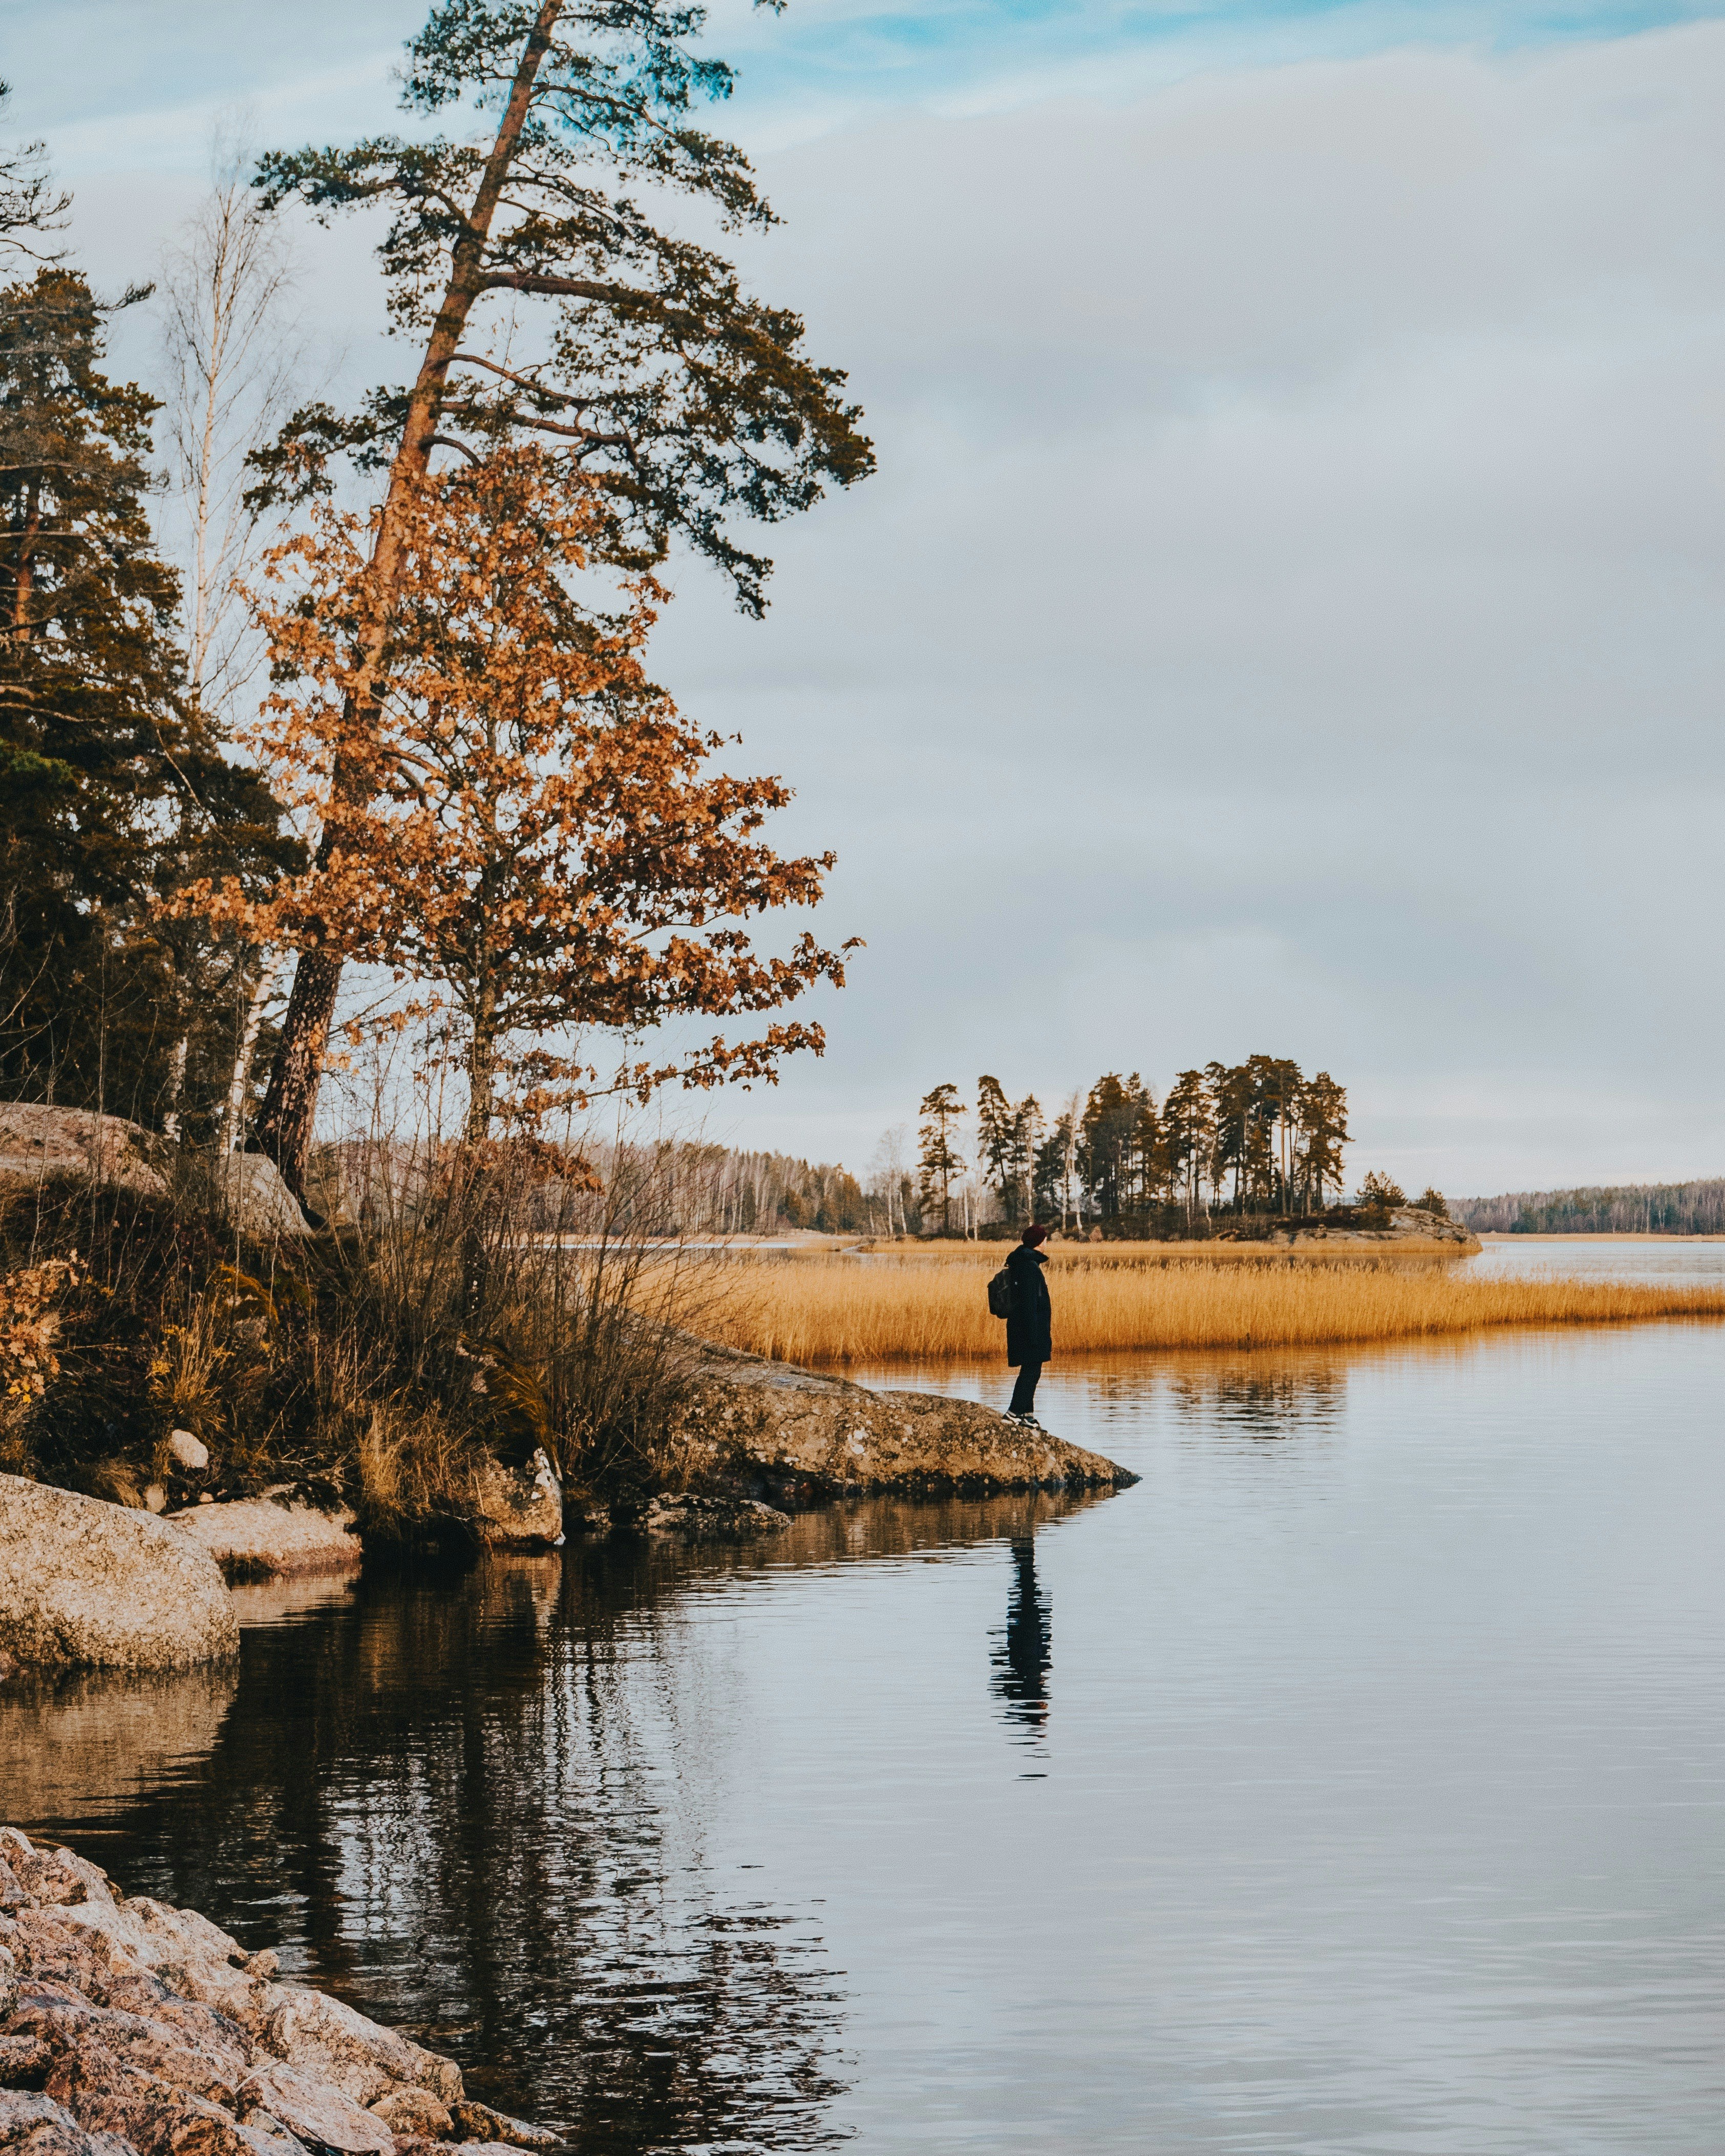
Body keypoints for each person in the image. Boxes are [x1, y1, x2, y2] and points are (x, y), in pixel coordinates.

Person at [1003, 1222, 1052, 1427]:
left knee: (1032, 1369)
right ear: (1039, 1243)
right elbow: (1030, 1303)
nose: (1047, 1242)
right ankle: (1014, 1412)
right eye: (1045, 1239)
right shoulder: (1028, 1267)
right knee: (1031, 1371)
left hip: (1024, 1327)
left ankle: (1027, 1415)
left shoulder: (1023, 1263)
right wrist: (1034, 1334)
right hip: (1030, 1329)